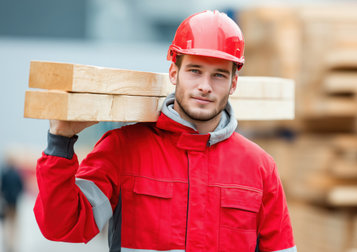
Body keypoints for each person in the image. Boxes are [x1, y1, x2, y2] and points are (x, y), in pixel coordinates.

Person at [34, 10, 296, 252]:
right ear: (174, 72)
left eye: (218, 75)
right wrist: (60, 142)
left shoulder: (260, 167)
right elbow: (63, 227)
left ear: (233, 83)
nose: (205, 86)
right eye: (195, 71)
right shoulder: (123, 148)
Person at [1, 155, 24, 252]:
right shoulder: (17, 174)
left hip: (6, 202)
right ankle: (12, 242)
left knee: (6, 223)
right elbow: (21, 188)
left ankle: (8, 242)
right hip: (15, 203)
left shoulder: (4, 174)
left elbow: (2, 188)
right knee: (14, 224)